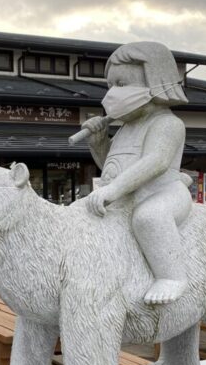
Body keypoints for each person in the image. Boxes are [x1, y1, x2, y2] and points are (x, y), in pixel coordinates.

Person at [81, 41, 192, 304]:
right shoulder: (124, 129)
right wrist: (98, 142)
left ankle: (172, 276)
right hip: (126, 196)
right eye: (110, 86)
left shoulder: (167, 123)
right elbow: (111, 165)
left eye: (121, 85)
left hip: (163, 194)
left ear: (157, 82)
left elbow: (156, 162)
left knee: (150, 218)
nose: (112, 94)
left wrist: (114, 189)